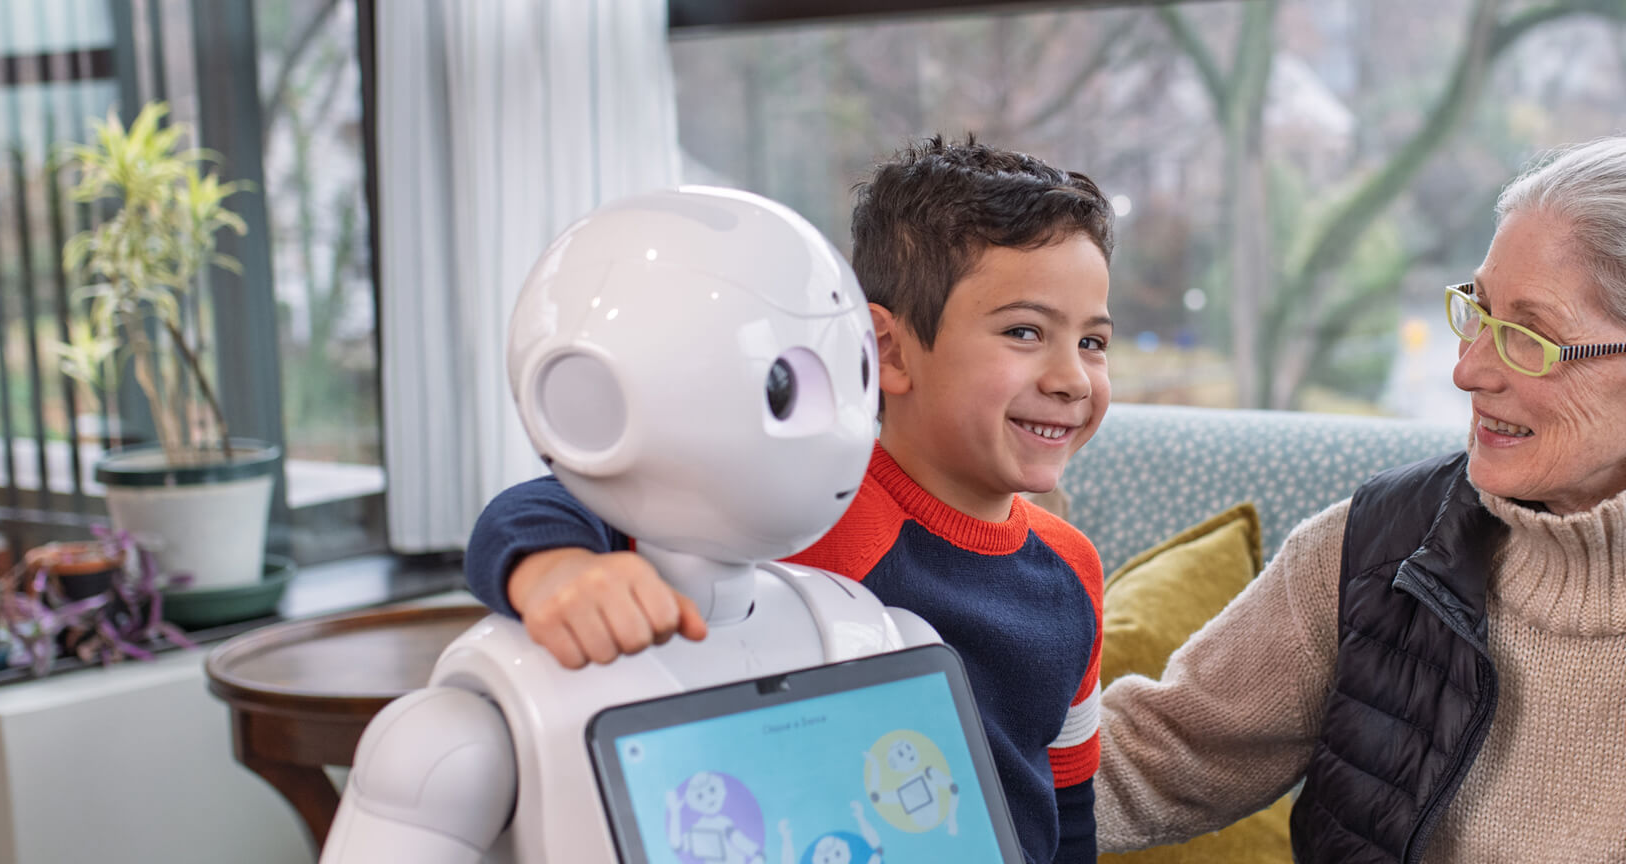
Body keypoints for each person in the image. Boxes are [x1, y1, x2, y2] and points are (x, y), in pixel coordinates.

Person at [466, 135, 1118, 864]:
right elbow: (552, 502)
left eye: (1093, 342)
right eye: (1025, 332)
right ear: (888, 353)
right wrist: (557, 570)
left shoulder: (1072, 568)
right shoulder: (792, 509)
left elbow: (1068, 806)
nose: (1073, 378)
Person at [1095, 136, 1626, 864]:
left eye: (1528, 337)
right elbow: (1155, 754)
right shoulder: (1378, 547)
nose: (1467, 370)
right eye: (1477, 313)